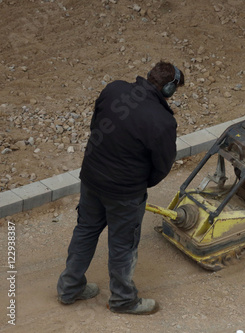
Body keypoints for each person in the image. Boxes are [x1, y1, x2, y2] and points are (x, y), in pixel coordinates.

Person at [57, 61, 184, 315]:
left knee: (85, 230)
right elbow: (162, 165)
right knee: (122, 246)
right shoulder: (162, 121)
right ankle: (123, 300)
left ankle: (69, 288)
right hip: (125, 193)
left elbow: (97, 126)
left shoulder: (113, 89)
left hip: (92, 179)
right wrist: (139, 182)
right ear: (169, 88)